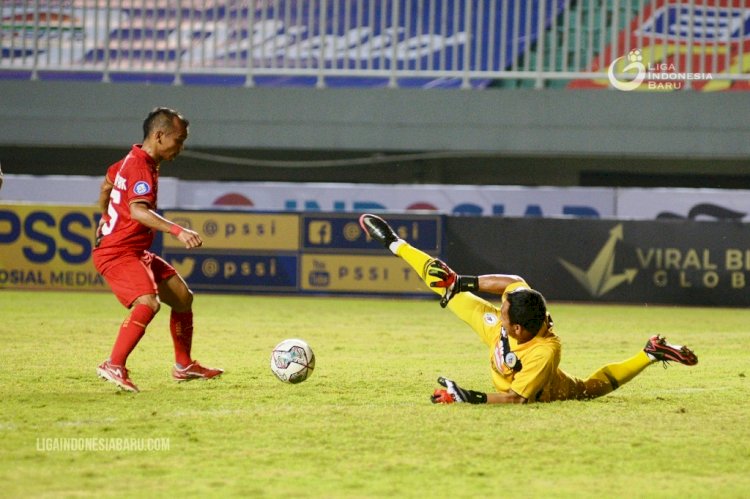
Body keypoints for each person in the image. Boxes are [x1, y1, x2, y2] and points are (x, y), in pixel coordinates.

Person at [358, 213, 698, 405]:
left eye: (503, 310)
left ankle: (649, 354)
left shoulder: (543, 354)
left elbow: (516, 400)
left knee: (588, 390)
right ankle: (395, 242)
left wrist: (466, 397)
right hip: (501, 341)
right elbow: (513, 279)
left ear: (518, 329)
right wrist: (462, 281)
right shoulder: (521, 307)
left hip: (547, 388)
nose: (499, 306)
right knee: (445, 283)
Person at [93, 107, 222, 393]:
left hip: (134, 250)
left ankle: (184, 365)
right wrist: (178, 230)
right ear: (159, 135)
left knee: (182, 298)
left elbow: (106, 186)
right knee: (148, 303)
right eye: (179, 139)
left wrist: (106, 218)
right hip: (118, 252)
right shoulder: (141, 166)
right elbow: (138, 211)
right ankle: (113, 364)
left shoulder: (134, 159)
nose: (181, 146)